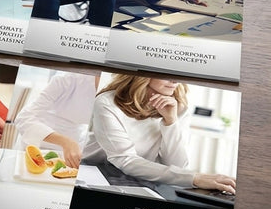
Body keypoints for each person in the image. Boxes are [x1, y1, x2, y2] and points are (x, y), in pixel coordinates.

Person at [81, 75, 236, 192]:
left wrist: (170, 122)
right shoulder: (107, 102)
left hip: (142, 176)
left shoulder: (178, 106)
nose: (175, 81)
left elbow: (177, 165)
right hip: (96, 170)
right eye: (166, 73)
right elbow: (125, 160)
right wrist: (195, 177)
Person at [13, 72, 98, 169]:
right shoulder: (67, 79)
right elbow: (23, 118)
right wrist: (66, 142)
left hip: (71, 154)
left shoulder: (110, 93)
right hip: (39, 145)